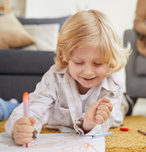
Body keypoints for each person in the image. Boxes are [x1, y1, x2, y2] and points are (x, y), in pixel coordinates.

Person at [5, 10, 132, 145]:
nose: (88, 72)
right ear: (65, 55)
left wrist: (88, 123)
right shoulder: (54, 78)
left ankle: (127, 102)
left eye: (97, 63)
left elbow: (104, 125)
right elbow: (33, 108)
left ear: (111, 60)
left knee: (122, 108)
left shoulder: (114, 82)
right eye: (78, 62)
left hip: (116, 108)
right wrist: (19, 128)